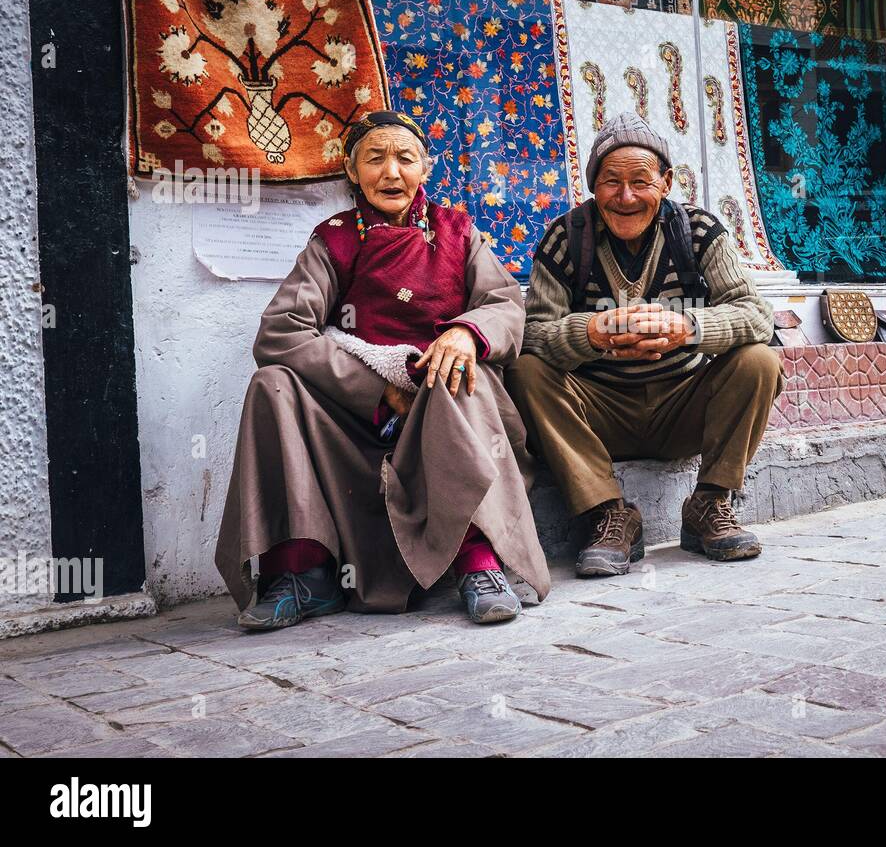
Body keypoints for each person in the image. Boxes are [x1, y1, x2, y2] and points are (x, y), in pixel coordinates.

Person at [215, 111, 549, 630]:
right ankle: (303, 573)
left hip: (448, 407)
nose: (390, 172)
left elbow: (506, 306)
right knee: (272, 385)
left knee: (457, 370)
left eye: (405, 158)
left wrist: (464, 333)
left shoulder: (458, 232)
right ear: (351, 170)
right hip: (360, 421)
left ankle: (478, 562)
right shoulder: (334, 241)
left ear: (426, 168)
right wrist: (376, 387)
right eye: (375, 158)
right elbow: (280, 333)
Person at [507, 112, 784, 578]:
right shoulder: (565, 238)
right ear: (593, 184)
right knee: (525, 372)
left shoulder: (698, 232)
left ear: (666, 182)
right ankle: (609, 513)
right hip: (598, 415)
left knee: (758, 360)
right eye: (611, 182)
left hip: (683, 408)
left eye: (641, 181)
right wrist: (591, 334)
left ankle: (710, 503)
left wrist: (686, 327)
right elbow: (532, 333)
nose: (627, 196)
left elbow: (756, 316)